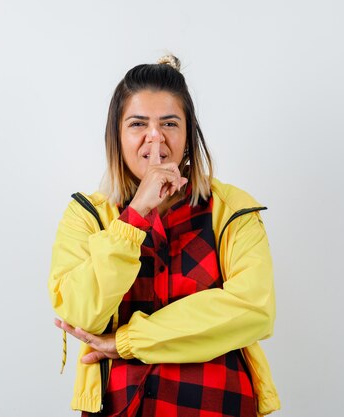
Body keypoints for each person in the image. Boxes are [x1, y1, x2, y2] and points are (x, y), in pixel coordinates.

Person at [48, 55, 280, 417]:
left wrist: (126, 342)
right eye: (138, 123)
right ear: (117, 135)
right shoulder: (88, 215)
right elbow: (81, 314)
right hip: (123, 406)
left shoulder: (231, 209)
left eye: (169, 123)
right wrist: (134, 215)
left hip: (218, 404)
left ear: (188, 135)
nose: (154, 137)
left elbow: (253, 310)